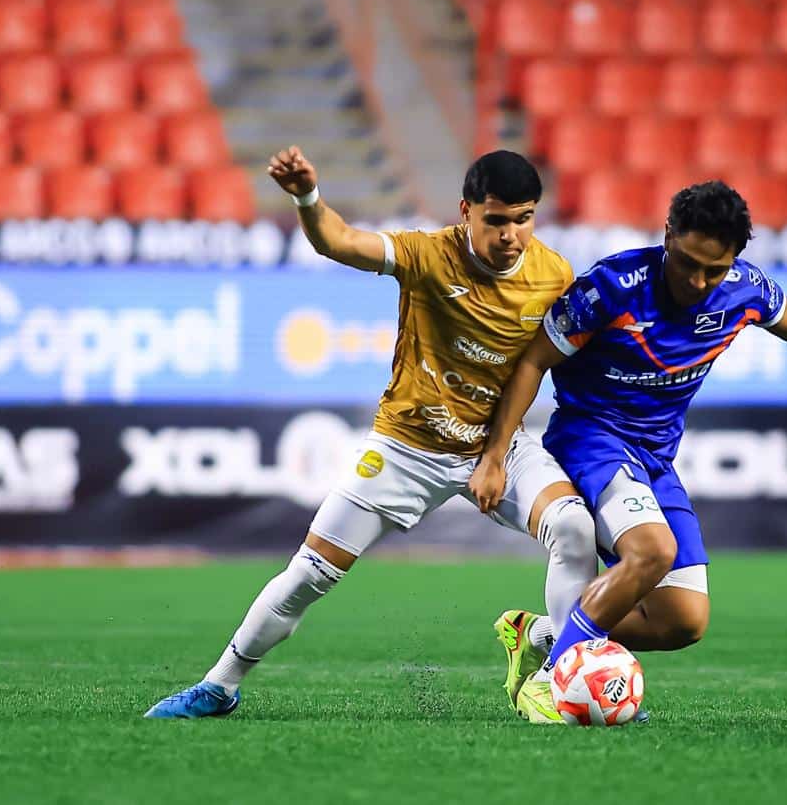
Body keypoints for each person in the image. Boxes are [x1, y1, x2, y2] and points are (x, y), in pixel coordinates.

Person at [145, 148, 599, 718]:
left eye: (524, 219)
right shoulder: (427, 255)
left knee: (574, 528)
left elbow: (538, 369)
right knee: (309, 575)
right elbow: (336, 240)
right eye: (497, 220)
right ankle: (218, 686)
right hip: (406, 447)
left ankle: (567, 681)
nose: (511, 236)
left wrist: (494, 456)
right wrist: (307, 196)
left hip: (496, 445)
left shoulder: (553, 275)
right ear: (466, 212)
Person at [469, 180, 787, 722]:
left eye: (712, 270)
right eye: (687, 263)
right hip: (592, 438)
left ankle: (542, 633)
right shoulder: (612, 287)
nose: (696, 282)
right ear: (668, 235)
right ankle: (553, 680)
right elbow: (534, 360)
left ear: (734, 261)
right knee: (652, 551)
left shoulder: (744, 289)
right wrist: (495, 454)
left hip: (655, 458)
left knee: (682, 620)